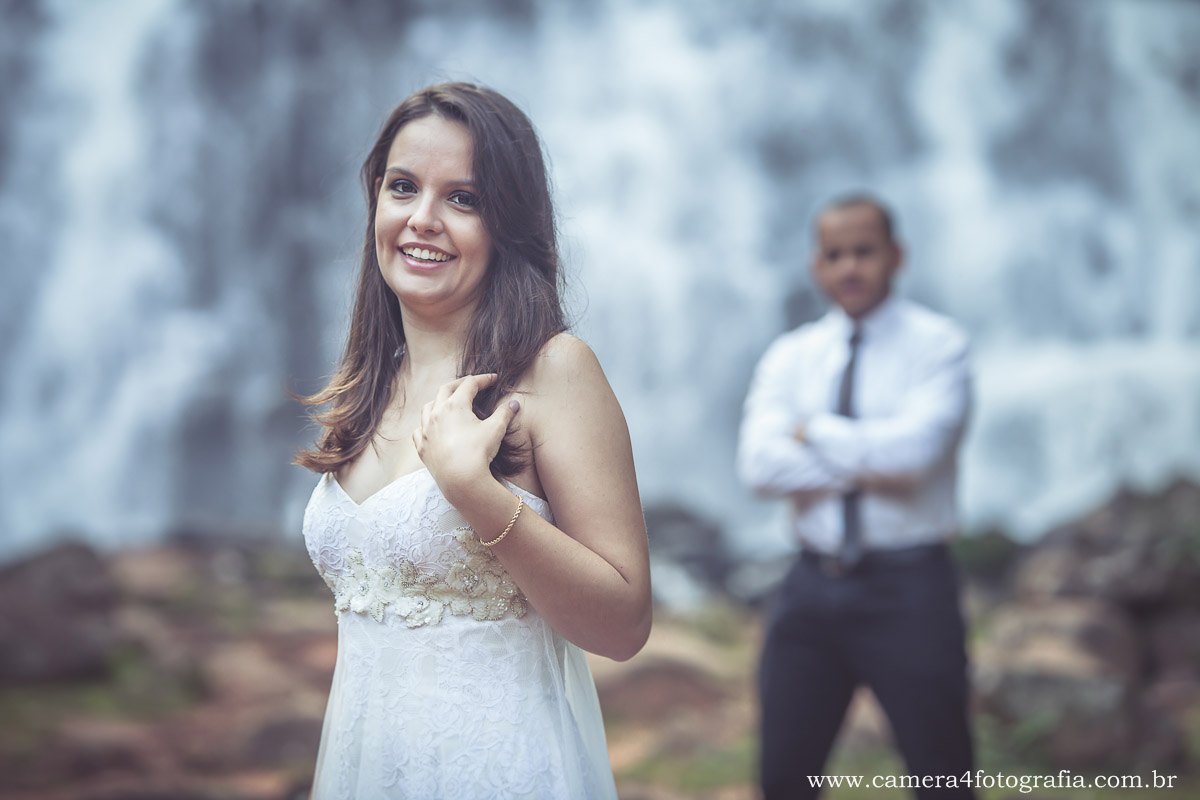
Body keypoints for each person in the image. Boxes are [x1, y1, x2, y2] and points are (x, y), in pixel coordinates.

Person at [295, 82, 651, 799]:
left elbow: (624, 624)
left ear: (508, 223)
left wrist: (476, 495)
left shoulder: (552, 371)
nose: (422, 219)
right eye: (403, 187)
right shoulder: (368, 386)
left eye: (463, 198)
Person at [737, 193, 976, 799]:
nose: (849, 267)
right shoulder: (791, 356)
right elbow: (759, 467)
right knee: (785, 778)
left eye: (864, 252)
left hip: (911, 588)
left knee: (943, 777)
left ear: (896, 255)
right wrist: (871, 456)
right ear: (816, 265)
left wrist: (810, 431)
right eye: (835, 254)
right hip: (810, 586)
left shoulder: (940, 345)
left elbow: (913, 457)